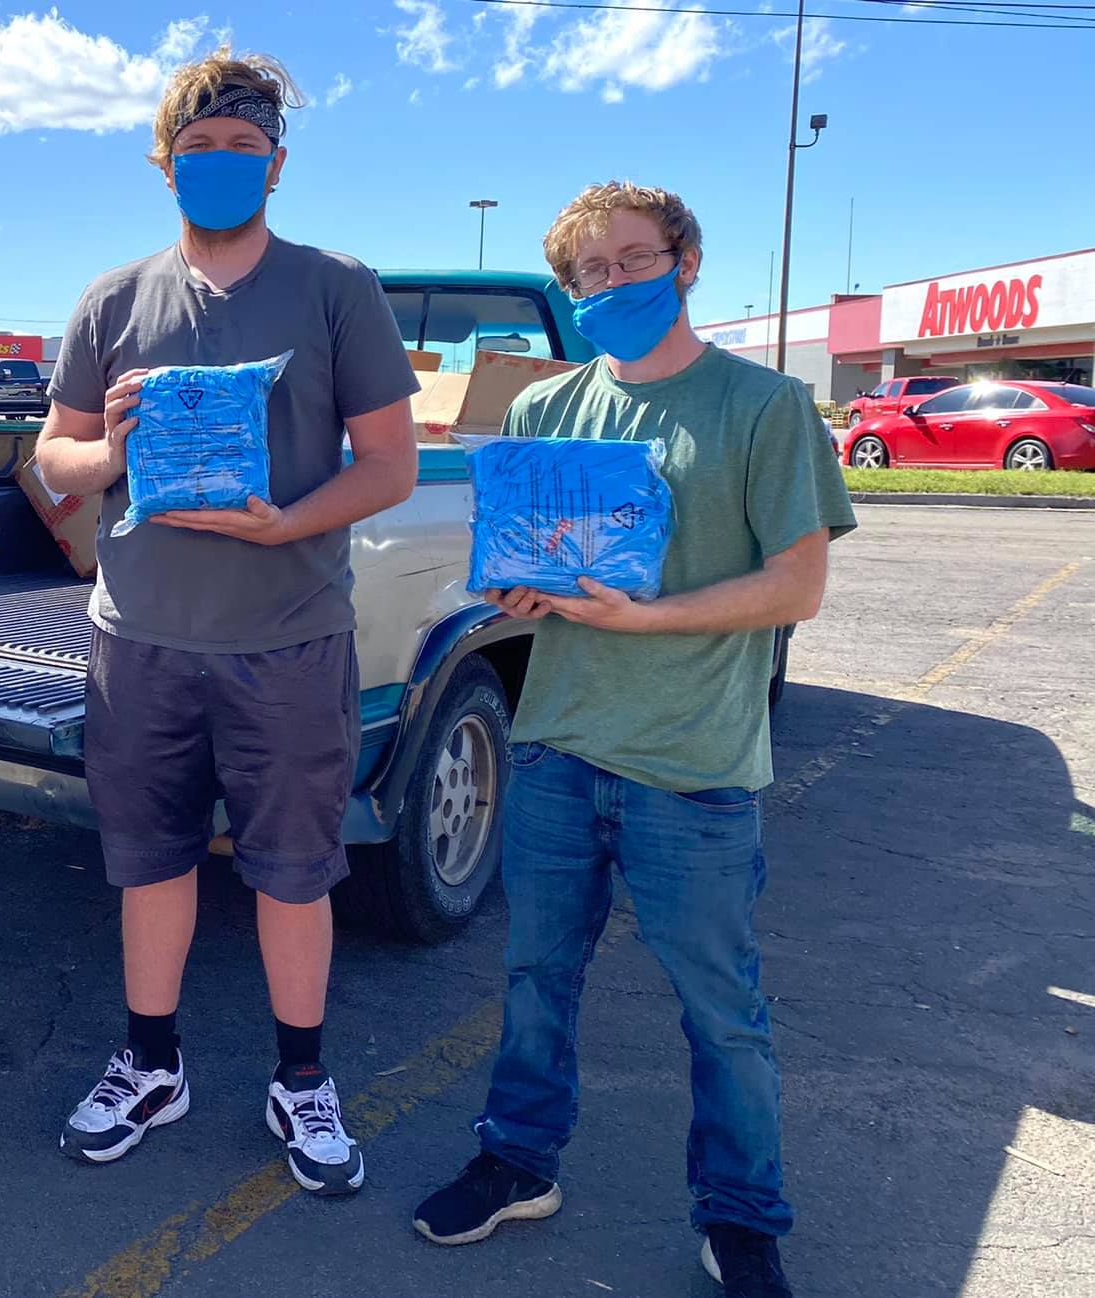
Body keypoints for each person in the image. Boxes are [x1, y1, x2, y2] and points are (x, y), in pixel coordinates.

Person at [410, 183, 856, 1298]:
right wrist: (511, 590)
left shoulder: (762, 407)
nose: (610, 284)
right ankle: (516, 1160)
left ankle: (741, 1217)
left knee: (720, 1008)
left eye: (630, 260)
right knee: (531, 977)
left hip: (692, 765)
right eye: (588, 273)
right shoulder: (542, 410)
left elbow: (795, 583)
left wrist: (644, 616)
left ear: (684, 260)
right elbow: (513, 570)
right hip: (556, 747)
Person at [36, 49, 420, 1195]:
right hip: (140, 637)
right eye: (196, 150)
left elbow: (390, 465)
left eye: (240, 149)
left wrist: (285, 521)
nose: (218, 166)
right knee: (149, 864)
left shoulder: (333, 287)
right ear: (165, 166)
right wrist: (105, 452)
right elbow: (55, 458)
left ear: (276, 163)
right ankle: (150, 1062)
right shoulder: (112, 298)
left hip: (288, 635)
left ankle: (300, 1077)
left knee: (293, 871)